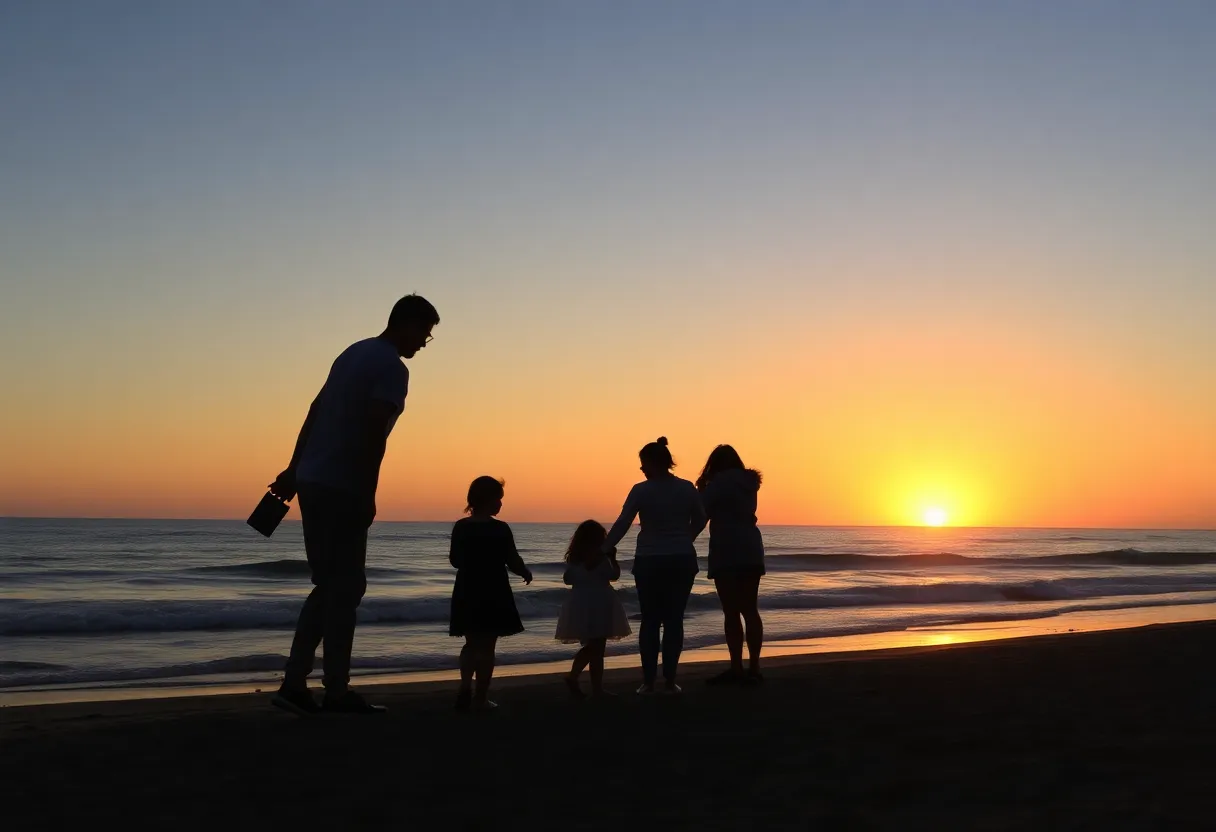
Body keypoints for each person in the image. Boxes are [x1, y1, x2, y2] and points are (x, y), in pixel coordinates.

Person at [268, 293, 439, 717]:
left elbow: (315, 410)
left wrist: (294, 468)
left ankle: (295, 682)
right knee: (346, 589)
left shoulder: (352, 354)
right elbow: (372, 433)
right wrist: (367, 492)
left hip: (313, 480)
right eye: (424, 333)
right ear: (404, 324)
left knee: (329, 586)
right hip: (342, 485)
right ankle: (336, 690)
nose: (423, 343)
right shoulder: (391, 368)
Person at [603, 437, 707, 696]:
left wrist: (604, 548)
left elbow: (624, 521)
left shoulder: (641, 490)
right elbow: (702, 518)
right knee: (674, 620)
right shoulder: (686, 488)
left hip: (650, 559)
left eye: (643, 464)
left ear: (652, 462)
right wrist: (687, 537)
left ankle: (649, 682)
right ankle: (670, 681)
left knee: (650, 620)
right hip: (682, 558)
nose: (641, 469)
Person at [449, 476, 533, 711]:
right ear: (488, 500)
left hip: (467, 587)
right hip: (493, 588)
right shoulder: (500, 528)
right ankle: (480, 697)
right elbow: (512, 559)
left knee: (470, 643)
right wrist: (524, 571)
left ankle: (465, 686)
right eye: (498, 499)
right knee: (487, 647)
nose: (501, 504)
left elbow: (455, 560)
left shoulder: (461, 527)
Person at [696, 444, 766, 685]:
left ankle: (736, 666)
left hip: (726, 547)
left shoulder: (717, 484)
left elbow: (700, 511)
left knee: (731, 611)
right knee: (750, 609)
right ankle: (755, 666)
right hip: (750, 545)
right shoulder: (749, 485)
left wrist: (684, 538)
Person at [555, 520, 632, 698]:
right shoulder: (602, 558)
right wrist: (612, 558)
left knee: (594, 646)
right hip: (600, 601)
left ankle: (588, 683)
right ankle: (583, 681)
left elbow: (568, 579)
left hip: (581, 602)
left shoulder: (575, 558)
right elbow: (614, 576)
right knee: (597, 647)